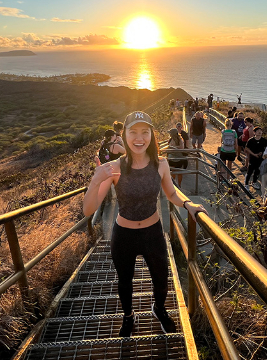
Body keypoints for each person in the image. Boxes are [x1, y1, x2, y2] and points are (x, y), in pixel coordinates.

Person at [83, 111, 207, 337]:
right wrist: (95, 180)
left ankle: (159, 310)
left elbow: (171, 193)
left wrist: (188, 204)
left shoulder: (161, 164)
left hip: (153, 233)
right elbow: (89, 210)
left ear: (151, 134)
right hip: (124, 236)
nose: (139, 138)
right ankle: (128, 316)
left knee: (161, 279)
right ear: (125, 135)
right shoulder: (115, 167)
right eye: (133, 132)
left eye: (144, 132)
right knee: (125, 282)